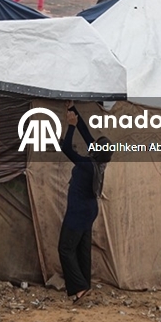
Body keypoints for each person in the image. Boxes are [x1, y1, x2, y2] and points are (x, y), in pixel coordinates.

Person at [58, 105, 112, 303]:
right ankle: (85, 284)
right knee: (82, 248)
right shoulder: (99, 163)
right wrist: (72, 109)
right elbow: (86, 132)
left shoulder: (87, 165)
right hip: (89, 211)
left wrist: (70, 127)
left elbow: (66, 148)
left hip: (78, 212)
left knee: (65, 248)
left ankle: (79, 288)